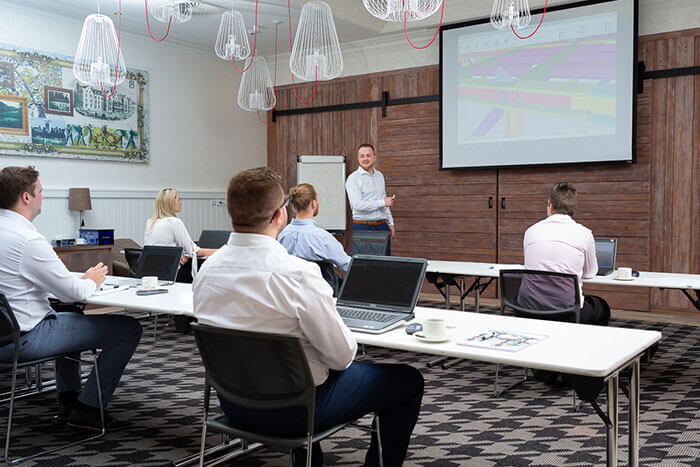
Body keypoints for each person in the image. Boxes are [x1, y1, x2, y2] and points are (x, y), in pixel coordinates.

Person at [194, 167, 424, 467]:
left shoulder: (207, 271)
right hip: (297, 412)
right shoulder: (298, 275)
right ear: (280, 215)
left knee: (300, 367)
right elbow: (342, 358)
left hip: (234, 405)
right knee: (406, 380)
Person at [0, 166, 142, 431]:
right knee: (129, 329)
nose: (43, 196)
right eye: (40, 191)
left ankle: (68, 400)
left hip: (4, 335)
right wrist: (91, 279)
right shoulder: (28, 239)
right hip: (24, 340)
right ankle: (88, 409)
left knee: (72, 316)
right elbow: (73, 292)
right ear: (26, 197)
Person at [521, 182, 610, 326]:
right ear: (573, 208)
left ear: (550, 206)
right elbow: (590, 273)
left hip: (528, 308)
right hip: (566, 311)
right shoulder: (584, 233)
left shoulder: (531, 231)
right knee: (601, 306)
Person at [278, 183, 351, 272]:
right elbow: (347, 265)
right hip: (319, 285)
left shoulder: (281, 236)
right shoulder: (323, 238)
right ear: (313, 203)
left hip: (288, 285)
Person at [143, 187, 217, 268]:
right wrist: (222, 251)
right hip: (169, 272)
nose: (181, 203)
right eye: (178, 200)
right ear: (171, 203)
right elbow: (195, 252)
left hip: (149, 270)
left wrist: (178, 254)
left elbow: (159, 247)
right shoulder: (174, 222)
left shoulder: (150, 222)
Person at [345, 143, 395, 255]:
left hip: (382, 226)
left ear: (374, 157)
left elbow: (385, 202)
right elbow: (356, 205)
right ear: (358, 158)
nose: (365, 159)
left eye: (368, 155)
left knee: (384, 264)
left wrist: (390, 223)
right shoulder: (353, 179)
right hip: (363, 227)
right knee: (365, 267)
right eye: (362, 156)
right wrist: (382, 202)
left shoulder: (379, 176)